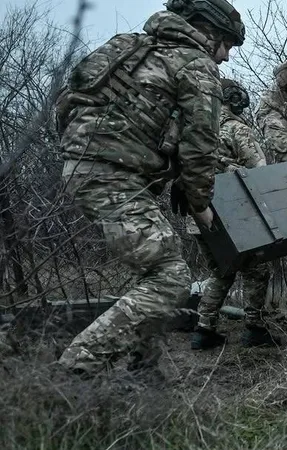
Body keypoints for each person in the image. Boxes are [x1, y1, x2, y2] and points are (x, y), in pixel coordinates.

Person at [54, 0, 245, 377]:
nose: (224, 56)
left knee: (157, 270)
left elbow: (68, 101)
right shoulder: (196, 63)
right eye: (225, 44)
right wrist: (200, 202)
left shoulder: (128, 45)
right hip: (114, 177)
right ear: (207, 32)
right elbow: (201, 142)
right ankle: (72, 372)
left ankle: (144, 372)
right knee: (171, 278)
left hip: (85, 167)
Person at [189, 78, 284, 350]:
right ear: (236, 102)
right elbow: (259, 171)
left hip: (197, 213)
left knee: (221, 270)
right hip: (234, 214)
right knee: (257, 269)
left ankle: (204, 329)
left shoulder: (195, 131)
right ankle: (254, 328)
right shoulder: (237, 129)